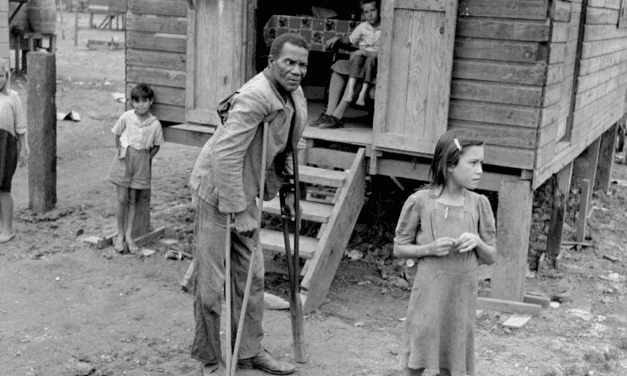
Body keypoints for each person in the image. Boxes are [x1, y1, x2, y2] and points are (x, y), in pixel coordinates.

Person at [189, 32, 309, 376]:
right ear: (271, 62)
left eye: (302, 64)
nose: (297, 70)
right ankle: (210, 359)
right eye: (289, 62)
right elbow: (225, 155)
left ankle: (248, 351)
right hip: (217, 192)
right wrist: (238, 211)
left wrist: (288, 189)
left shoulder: (294, 93)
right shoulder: (255, 97)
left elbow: (286, 144)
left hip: (247, 189)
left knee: (252, 278)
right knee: (211, 288)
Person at [393, 130, 497, 376]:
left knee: (453, 359)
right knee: (417, 356)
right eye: (473, 163)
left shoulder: (479, 204)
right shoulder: (421, 202)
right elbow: (399, 248)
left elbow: (491, 256)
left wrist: (478, 243)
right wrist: (428, 249)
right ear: (450, 165)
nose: (480, 170)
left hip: (461, 299)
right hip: (429, 296)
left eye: (481, 163)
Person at [108, 83, 164, 253]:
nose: (141, 104)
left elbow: (156, 146)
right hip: (124, 159)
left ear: (151, 101)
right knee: (122, 198)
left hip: (141, 162)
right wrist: (123, 151)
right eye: (137, 101)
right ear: (132, 102)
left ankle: (130, 235)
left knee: (133, 199)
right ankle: (119, 235)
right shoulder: (126, 117)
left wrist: (146, 159)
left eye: (144, 101)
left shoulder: (155, 124)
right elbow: (117, 135)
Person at [310, 0, 381, 129]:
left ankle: (337, 116)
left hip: (376, 66)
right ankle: (329, 114)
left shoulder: (386, 28)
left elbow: (387, 52)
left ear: (380, 11)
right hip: (360, 62)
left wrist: (365, 52)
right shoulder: (364, 27)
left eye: (373, 10)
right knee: (339, 65)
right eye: (366, 12)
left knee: (359, 69)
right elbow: (349, 39)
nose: (370, 15)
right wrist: (338, 38)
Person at [0, 59, 27, 244]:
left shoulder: (13, 97)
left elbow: (20, 125)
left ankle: (8, 229)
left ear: (7, 76)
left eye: (1, 76)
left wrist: (24, 147)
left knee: (3, 187)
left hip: (6, 145)